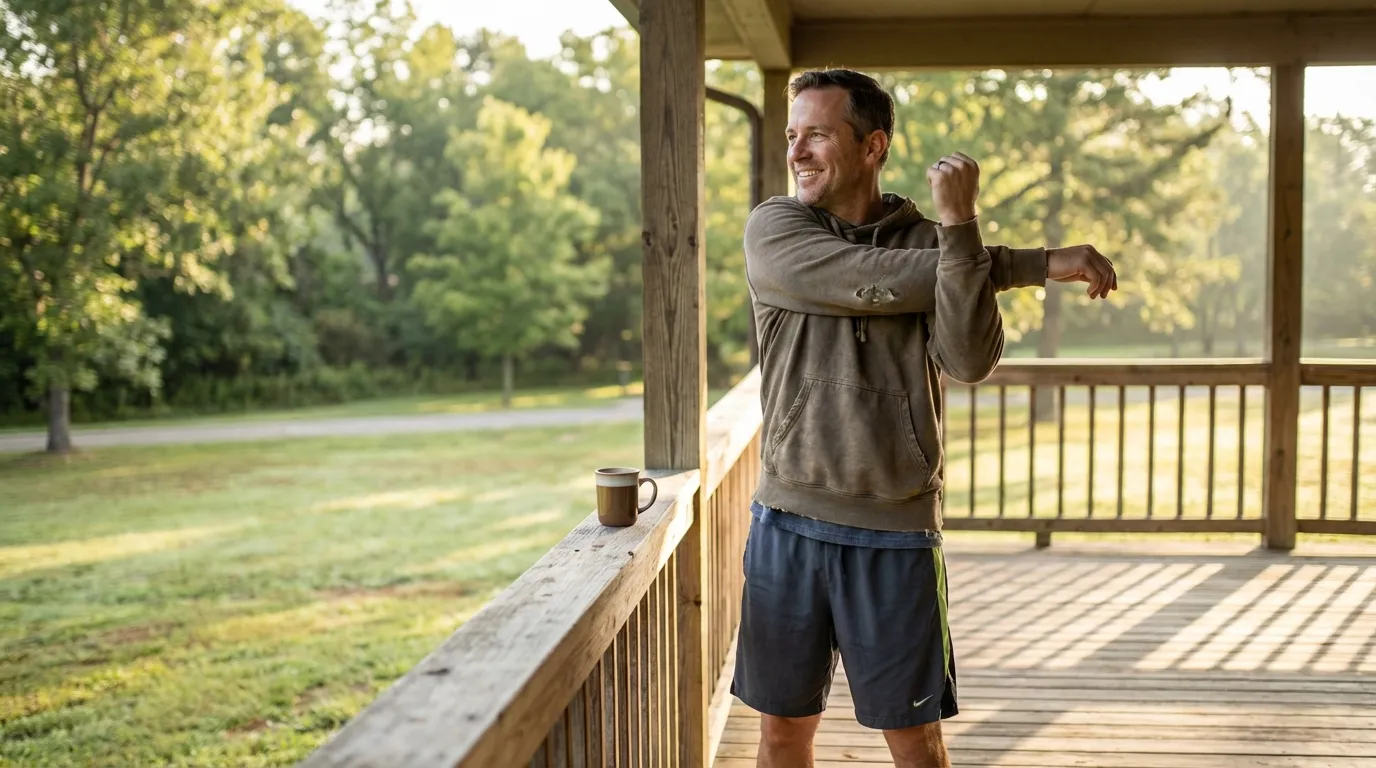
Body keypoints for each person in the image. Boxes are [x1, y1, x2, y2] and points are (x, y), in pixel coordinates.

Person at [733, 69, 1117, 768]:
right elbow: (864, 277)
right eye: (793, 135)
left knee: (915, 744)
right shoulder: (777, 229)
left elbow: (970, 360)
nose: (798, 152)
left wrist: (961, 229)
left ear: (873, 144)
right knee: (782, 734)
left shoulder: (937, 244)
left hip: (896, 533)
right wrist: (1023, 262)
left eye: (817, 133)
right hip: (786, 523)